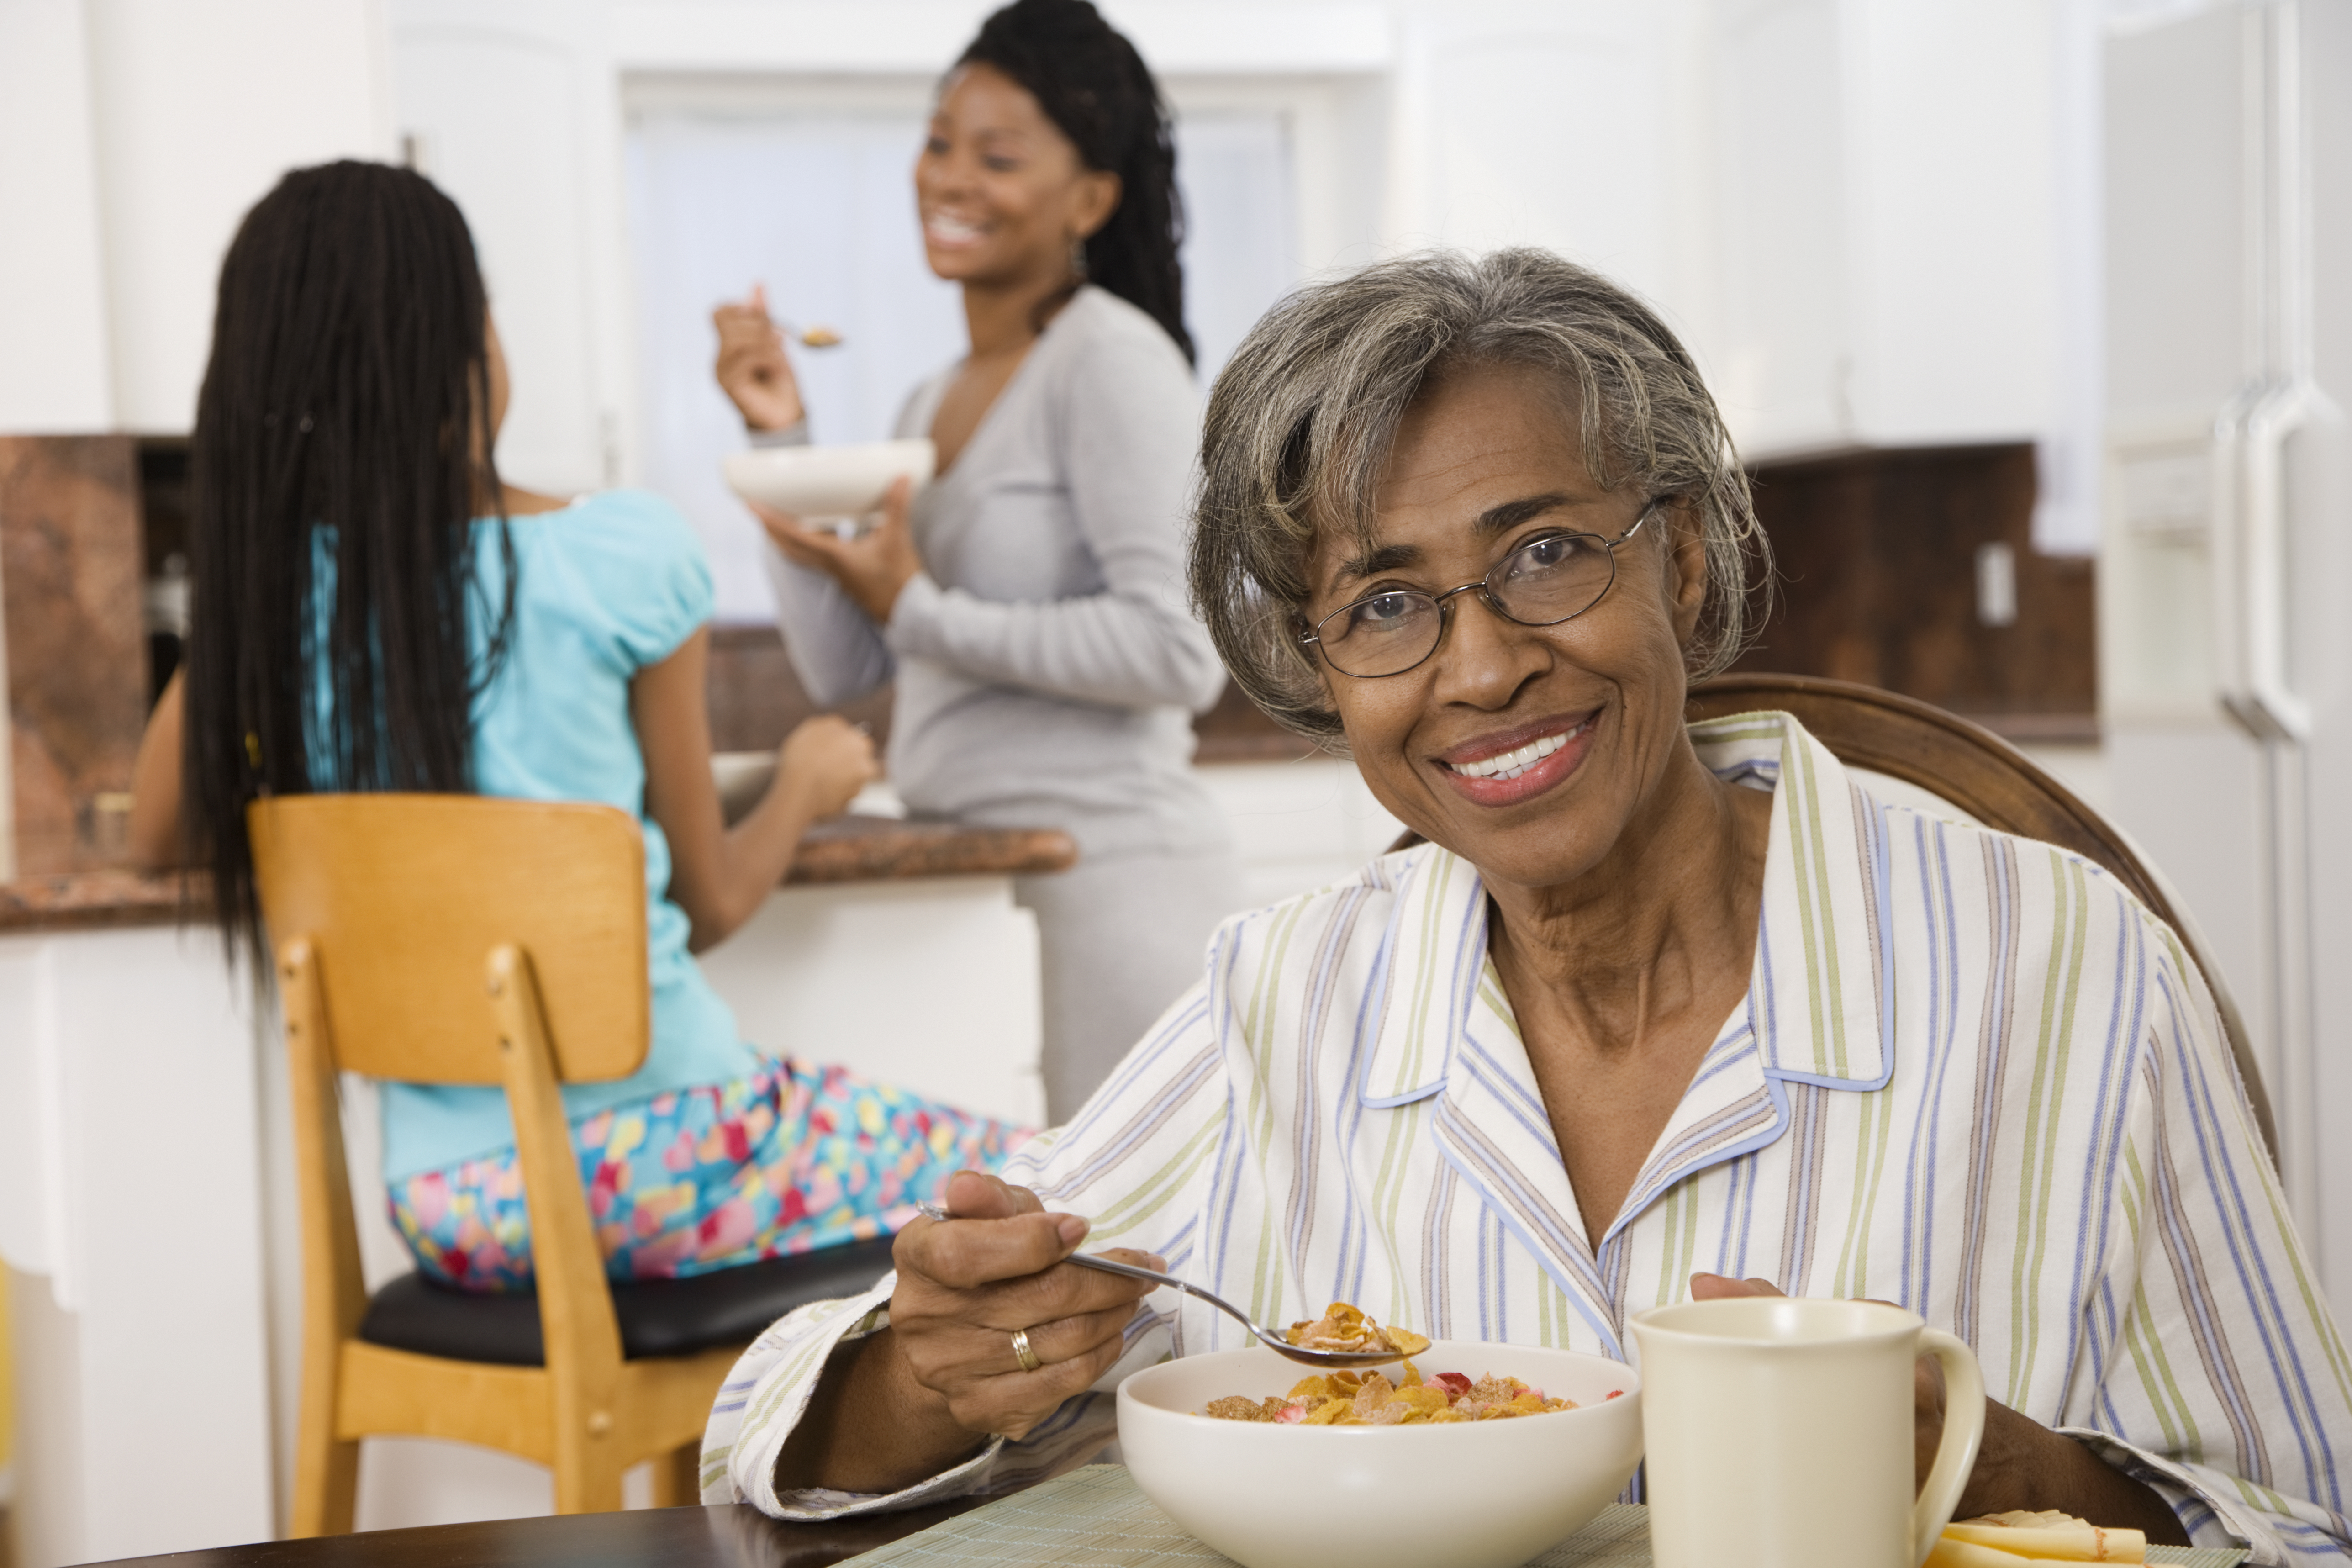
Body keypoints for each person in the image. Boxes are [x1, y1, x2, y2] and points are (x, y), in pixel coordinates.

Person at [700, 250, 2352, 1564]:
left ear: (1684, 564)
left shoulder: (2061, 969)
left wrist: (1983, 1460)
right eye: (1389, 602)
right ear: (1319, 664)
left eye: (1550, 552)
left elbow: (2302, 1516)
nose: (1481, 667)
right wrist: (942, 1363)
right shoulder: (1288, 998)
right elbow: (774, 1422)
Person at [128, 159, 1028, 1292]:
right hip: (661, 1158)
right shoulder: (620, 557)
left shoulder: (271, 598)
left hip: (445, 1201)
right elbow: (702, 905)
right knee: (1044, 1185)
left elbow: (158, 835)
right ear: (457, 348)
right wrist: (803, 779)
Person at [712, 0, 1245, 1123]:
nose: (951, 177)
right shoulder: (928, 397)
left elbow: (1178, 648)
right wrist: (781, 441)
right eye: (940, 141)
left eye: (997, 157)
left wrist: (923, 608)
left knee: (1127, 1280)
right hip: (980, 881)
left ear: (1089, 199)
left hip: (1107, 886)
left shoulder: (1110, 359)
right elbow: (849, 664)